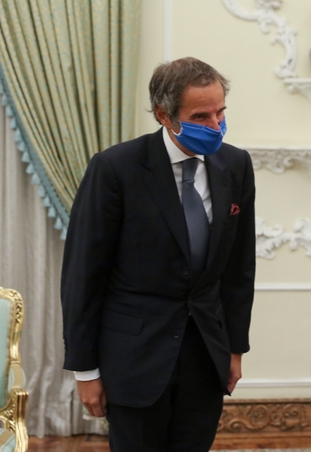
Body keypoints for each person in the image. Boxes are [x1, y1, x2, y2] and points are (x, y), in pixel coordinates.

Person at [61, 57, 256, 451]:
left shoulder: (235, 165)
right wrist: (85, 370)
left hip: (206, 356)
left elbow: (239, 268)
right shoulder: (115, 168)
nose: (215, 125)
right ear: (165, 115)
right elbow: (83, 273)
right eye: (200, 117)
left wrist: (235, 348)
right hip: (134, 359)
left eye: (220, 112)